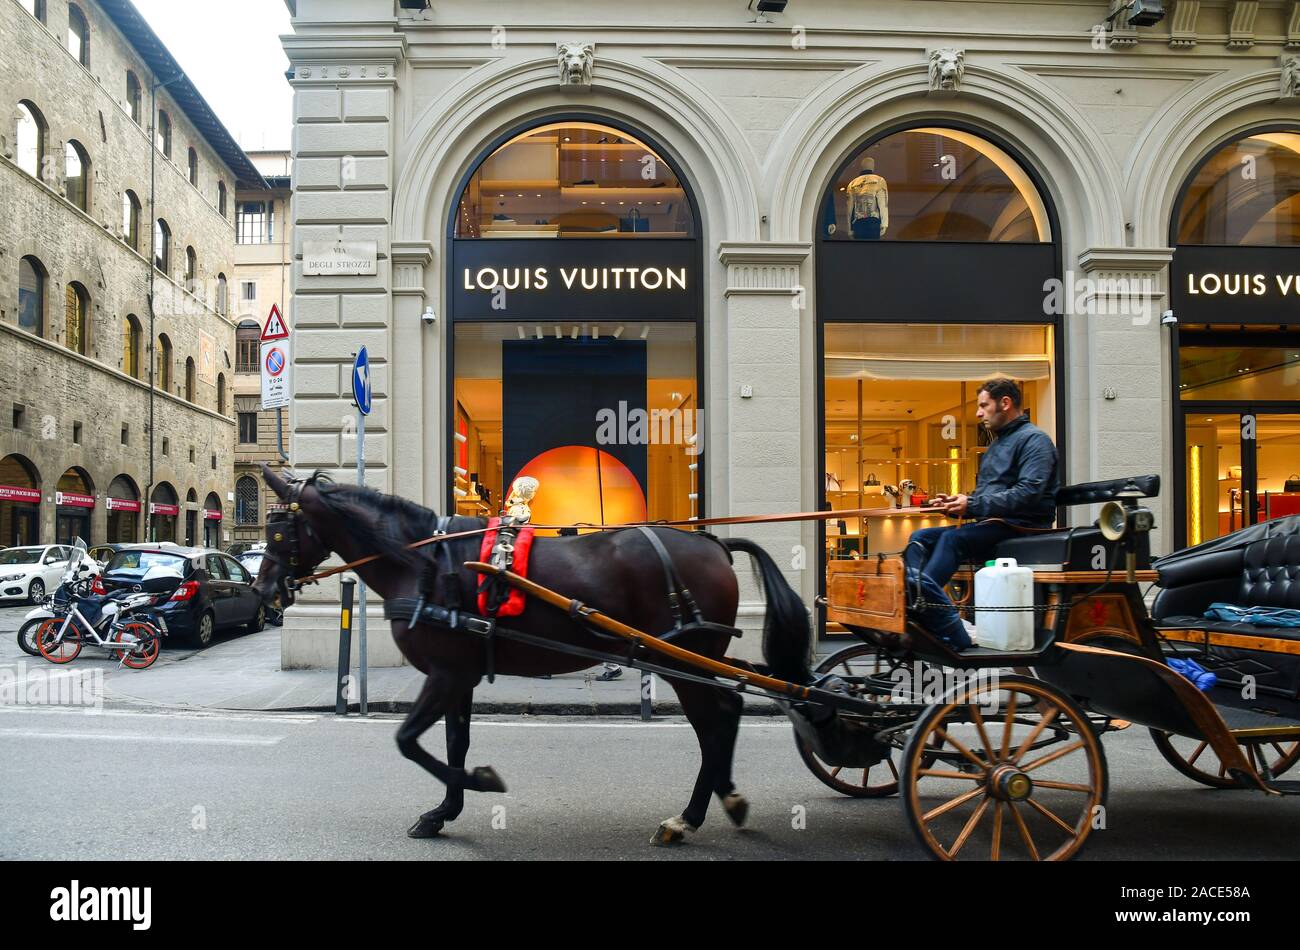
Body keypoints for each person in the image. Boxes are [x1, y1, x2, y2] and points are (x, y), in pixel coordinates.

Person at [904, 378, 1059, 650]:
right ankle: (914, 598)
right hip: (992, 524)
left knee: (952, 541)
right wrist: (955, 504)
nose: (978, 413)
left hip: (1022, 526)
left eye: (983, 406)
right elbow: (987, 497)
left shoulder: (1035, 440)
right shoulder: (999, 444)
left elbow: (1028, 493)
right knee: (920, 536)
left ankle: (924, 608)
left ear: (1005, 403)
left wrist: (972, 504)